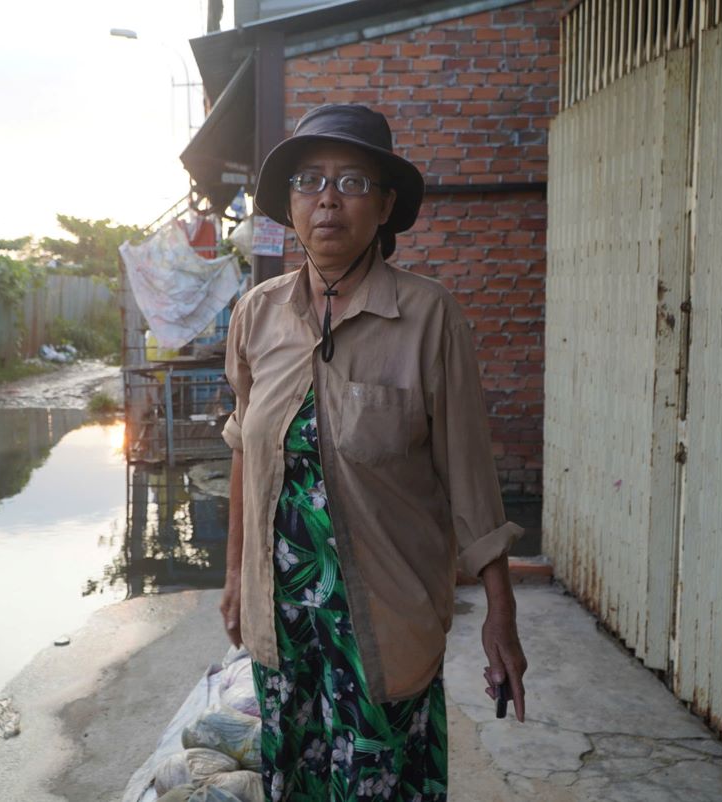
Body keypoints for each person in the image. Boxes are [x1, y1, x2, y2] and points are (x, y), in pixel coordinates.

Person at [219, 104, 528, 801]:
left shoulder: (428, 316)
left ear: (386, 205)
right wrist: (236, 576)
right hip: (286, 624)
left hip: (385, 620)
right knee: (296, 779)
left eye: (352, 181)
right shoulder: (257, 315)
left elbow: (470, 477)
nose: (327, 198)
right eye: (308, 181)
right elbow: (245, 448)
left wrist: (501, 617)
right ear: (290, 206)